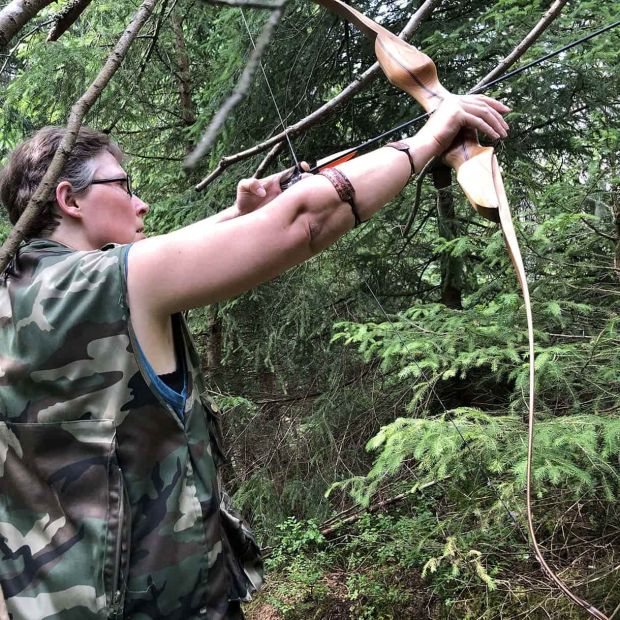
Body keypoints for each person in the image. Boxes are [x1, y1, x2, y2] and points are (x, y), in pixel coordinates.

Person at [0, 93, 509, 620]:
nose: (140, 202)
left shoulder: (13, 291)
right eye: (123, 186)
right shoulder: (110, 282)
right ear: (70, 199)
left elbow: (161, 255)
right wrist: (427, 140)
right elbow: (307, 220)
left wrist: (240, 217)